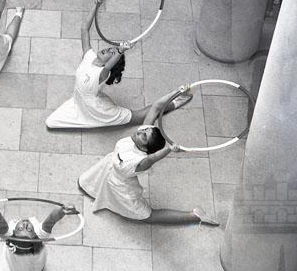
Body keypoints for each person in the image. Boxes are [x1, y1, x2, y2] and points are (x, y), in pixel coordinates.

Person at [77, 87, 220, 225]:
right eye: (144, 131)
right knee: (84, 185)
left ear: (145, 148)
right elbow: (156, 107)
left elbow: (153, 158)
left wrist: (169, 149)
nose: (140, 132)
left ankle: (194, 216)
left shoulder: (141, 162)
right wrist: (177, 92)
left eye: (144, 136)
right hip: (107, 170)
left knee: (147, 216)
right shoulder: (139, 138)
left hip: (121, 188)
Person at [46, 0, 192, 128]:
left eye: (111, 53)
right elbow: (84, 29)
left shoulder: (102, 73)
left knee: (139, 117)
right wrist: (96, 5)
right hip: (78, 102)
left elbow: (109, 66)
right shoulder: (89, 55)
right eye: (109, 49)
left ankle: (175, 102)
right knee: (50, 122)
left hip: (97, 110)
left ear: (111, 63)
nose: (107, 50)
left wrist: (121, 51)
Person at [0, 200, 79, 271]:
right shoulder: (40, 237)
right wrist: (62, 210)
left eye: (21, 228)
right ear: (35, 234)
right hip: (36, 266)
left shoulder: (9, 237)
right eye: (29, 229)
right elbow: (52, 219)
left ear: (13, 231)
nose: (25, 224)